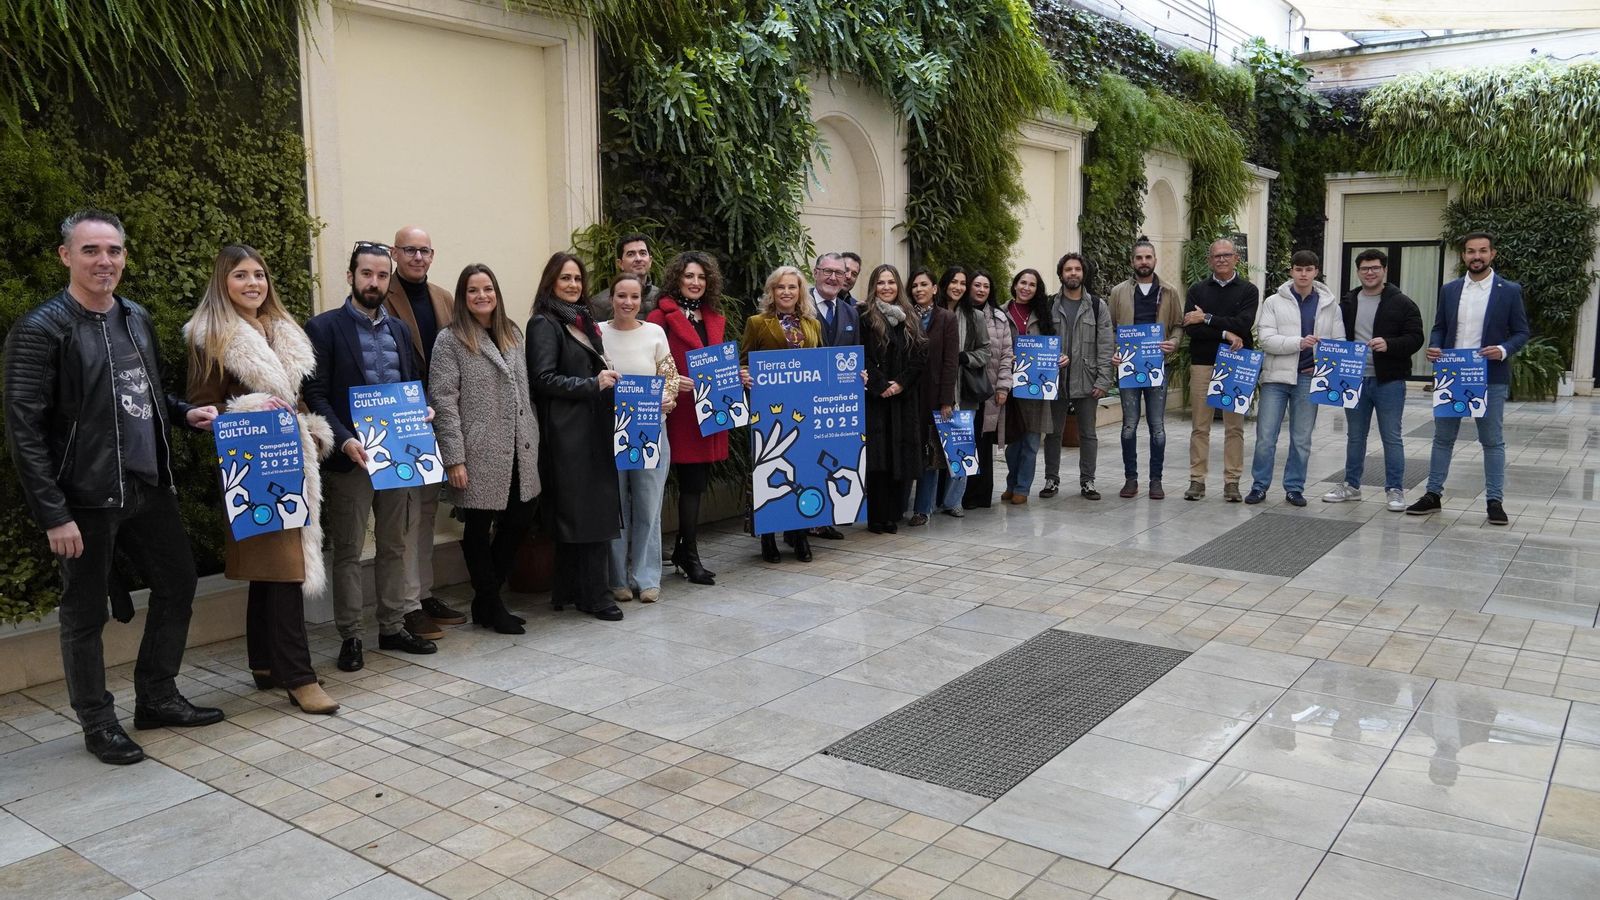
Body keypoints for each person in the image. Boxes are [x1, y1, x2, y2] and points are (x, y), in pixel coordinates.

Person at [5, 209, 224, 764]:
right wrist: (54, 514)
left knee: (178, 584)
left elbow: (139, 393)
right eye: (91, 251)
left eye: (114, 251)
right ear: (65, 256)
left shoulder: (136, 318)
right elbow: (23, 431)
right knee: (84, 615)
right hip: (85, 498)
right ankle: (98, 723)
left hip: (149, 488)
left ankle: (156, 696)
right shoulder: (41, 329)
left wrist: (181, 413)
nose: (105, 261)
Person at [184, 245, 339, 714]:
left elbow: (301, 397)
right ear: (222, 282)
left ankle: (266, 664)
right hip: (252, 464)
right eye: (240, 276)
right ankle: (299, 676)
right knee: (284, 568)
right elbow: (202, 406)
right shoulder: (211, 336)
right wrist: (252, 407)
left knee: (272, 567)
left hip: (294, 454)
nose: (253, 283)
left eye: (259, 275)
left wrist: (312, 431)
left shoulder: (283, 332)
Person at [303, 242, 439, 672]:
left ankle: (392, 626)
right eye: (367, 274)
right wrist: (343, 440)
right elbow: (315, 393)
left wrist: (423, 410)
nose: (374, 282)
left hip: (398, 453)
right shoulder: (323, 328)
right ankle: (351, 636)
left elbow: (412, 383)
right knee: (347, 548)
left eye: (382, 275)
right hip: (351, 457)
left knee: (395, 543)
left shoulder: (399, 330)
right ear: (351, 277)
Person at [431, 263, 541, 634]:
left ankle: (485, 599)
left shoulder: (511, 332)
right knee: (477, 528)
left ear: (497, 293)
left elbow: (524, 389)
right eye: (473, 290)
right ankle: (492, 603)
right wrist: (454, 458)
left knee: (520, 516)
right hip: (477, 450)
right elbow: (443, 400)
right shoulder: (450, 340)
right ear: (463, 298)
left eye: (488, 289)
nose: (482, 296)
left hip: (518, 446)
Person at [527, 252, 627, 618]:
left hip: (592, 426)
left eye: (577, 279)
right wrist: (591, 383)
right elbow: (542, 378)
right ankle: (594, 595)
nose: (573, 285)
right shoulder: (544, 323)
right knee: (585, 513)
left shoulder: (583, 320)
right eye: (565, 278)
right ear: (551, 281)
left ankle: (570, 589)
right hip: (568, 433)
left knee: (590, 510)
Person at [1407, 232, 1531, 525]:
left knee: (1492, 441)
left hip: (1490, 375)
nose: (1477, 256)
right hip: (1453, 374)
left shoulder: (1509, 290)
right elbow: (1440, 327)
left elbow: (1522, 332)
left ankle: (1494, 501)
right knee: (1442, 438)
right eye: (1471, 251)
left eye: (1483, 251)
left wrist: (1501, 350)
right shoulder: (1450, 290)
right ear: (1463, 255)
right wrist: (1436, 345)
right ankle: (1432, 495)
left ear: (1493, 254)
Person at [382, 225, 463, 639]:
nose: (417, 257)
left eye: (424, 250)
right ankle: (407, 604)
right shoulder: (382, 293)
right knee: (408, 515)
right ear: (395, 253)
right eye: (409, 250)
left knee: (429, 511)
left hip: (440, 418)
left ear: (432, 256)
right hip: (402, 419)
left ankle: (425, 593)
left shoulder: (444, 298)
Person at [649, 251, 729, 584]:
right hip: (675, 412)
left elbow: (717, 361)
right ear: (677, 279)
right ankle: (682, 555)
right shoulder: (660, 317)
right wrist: (669, 380)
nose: (695, 283)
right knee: (668, 486)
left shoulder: (712, 316)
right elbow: (644, 360)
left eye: (701, 277)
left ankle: (686, 550)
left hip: (709, 410)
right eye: (689, 276)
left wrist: (733, 375)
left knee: (696, 483)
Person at [1323, 249, 1424, 510]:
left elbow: (1416, 338)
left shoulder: (1402, 303)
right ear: (1358, 271)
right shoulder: (1347, 302)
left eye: (1375, 268)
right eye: (1365, 268)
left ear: (1384, 270)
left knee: (1392, 436)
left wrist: (1389, 344)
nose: (1370, 272)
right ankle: (1351, 485)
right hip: (1354, 380)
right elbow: (1335, 337)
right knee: (1355, 436)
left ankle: (1395, 489)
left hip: (1388, 380)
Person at [600, 274, 678, 596]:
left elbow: (670, 378)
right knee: (616, 505)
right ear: (611, 298)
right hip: (610, 429)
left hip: (650, 427)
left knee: (648, 504)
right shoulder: (597, 333)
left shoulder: (655, 333)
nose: (627, 303)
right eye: (621, 296)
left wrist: (669, 398)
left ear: (641, 299)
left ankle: (646, 578)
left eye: (634, 297)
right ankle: (617, 579)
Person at [1247, 251, 1343, 506]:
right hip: (1275, 379)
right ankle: (1259, 486)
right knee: (1266, 438)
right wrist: (1299, 343)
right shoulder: (1273, 302)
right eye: (1298, 269)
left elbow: (1339, 342)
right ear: (1291, 271)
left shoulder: (1329, 304)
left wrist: (1321, 364)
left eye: (1308, 269)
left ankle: (1294, 488)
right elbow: (1265, 339)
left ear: (1316, 272)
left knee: (1302, 439)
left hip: (1308, 379)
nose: (1303, 274)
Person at [740, 266, 822, 560]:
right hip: (769, 411)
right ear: (771, 292)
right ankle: (767, 538)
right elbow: (744, 361)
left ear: (800, 292)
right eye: (780, 287)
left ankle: (800, 535)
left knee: (802, 468)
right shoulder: (757, 322)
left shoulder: (813, 324)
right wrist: (743, 375)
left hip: (804, 409)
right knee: (769, 469)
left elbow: (823, 365)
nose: (786, 292)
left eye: (792, 287)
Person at [1182, 238, 1259, 502]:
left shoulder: (1249, 290)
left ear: (1236, 258)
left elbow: (1244, 324)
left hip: (1236, 362)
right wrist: (1226, 332)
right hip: (1203, 362)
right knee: (1200, 426)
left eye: (1227, 255)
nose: (1222, 259)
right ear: (1209, 261)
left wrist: (1207, 317)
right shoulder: (1197, 290)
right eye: (1217, 256)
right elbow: (1191, 328)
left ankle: (1232, 482)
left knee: (1234, 427)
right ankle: (1197, 480)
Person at [1107, 238, 1180, 500]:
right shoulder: (1118, 292)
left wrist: (1173, 342)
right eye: (1139, 258)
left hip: (1157, 368)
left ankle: (1156, 481)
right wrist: (1115, 350)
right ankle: (1130, 479)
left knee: (1157, 427)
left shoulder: (1170, 292)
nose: (1144, 262)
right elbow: (1111, 328)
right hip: (1128, 368)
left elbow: (1178, 326)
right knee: (1128, 426)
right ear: (1132, 261)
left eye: (1148, 257)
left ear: (1155, 260)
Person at [861, 264, 927, 532]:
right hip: (875, 400)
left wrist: (900, 383)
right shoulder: (864, 316)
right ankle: (877, 516)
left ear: (898, 286)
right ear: (873, 287)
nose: (886, 287)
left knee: (897, 458)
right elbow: (861, 354)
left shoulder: (910, 317)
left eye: (891, 282)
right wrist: (880, 385)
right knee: (878, 460)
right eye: (880, 282)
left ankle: (893, 514)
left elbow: (920, 356)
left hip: (902, 399)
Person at [1045, 253, 1113, 501]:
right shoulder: (1049, 304)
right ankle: (1051, 480)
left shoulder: (1097, 305)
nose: (1072, 273)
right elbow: (1041, 341)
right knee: (1053, 433)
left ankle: (1088, 482)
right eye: (1068, 269)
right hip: (1056, 380)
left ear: (1083, 273)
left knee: (1088, 433)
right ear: (1061, 274)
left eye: (1077, 269)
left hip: (1087, 378)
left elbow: (1105, 345)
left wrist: (1104, 380)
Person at [806, 252, 860, 541]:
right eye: (827, 271)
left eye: (839, 273)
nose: (833, 278)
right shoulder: (800, 308)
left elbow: (855, 356)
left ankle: (824, 518)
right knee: (804, 459)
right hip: (802, 401)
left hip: (834, 406)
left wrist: (860, 375)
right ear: (815, 272)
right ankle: (800, 523)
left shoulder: (851, 313)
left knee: (829, 460)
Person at [907, 267, 959, 527]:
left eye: (924, 284)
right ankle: (900, 505)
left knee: (930, 453)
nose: (919, 290)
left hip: (934, 395)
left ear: (935, 289)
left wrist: (946, 399)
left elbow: (951, 362)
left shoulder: (947, 318)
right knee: (908, 449)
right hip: (906, 393)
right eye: (915, 285)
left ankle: (922, 508)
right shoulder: (903, 315)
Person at [1000, 269, 1056, 504]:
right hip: (1010, 386)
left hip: (1036, 387)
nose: (1026, 288)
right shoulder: (1001, 313)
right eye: (1023, 282)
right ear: (1015, 285)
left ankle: (1022, 488)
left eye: (1032, 285)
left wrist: (1058, 358)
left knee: (1032, 443)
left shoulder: (1044, 315)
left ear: (1037, 289)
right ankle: (1011, 483)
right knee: (1013, 442)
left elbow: (1052, 346)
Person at [963, 267, 1015, 509]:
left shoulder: (999, 317)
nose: (982, 290)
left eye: (986, 286)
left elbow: (1006, 355)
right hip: (961, 390)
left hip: (989, 391)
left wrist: (1003, 386)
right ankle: (957, 496)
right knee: (963, 441)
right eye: (977, 285)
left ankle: (980, 495)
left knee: (982, 443)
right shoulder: (957, 314)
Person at [590, 232, 663, 321]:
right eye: (631, 254)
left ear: (650, 261)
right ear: (620, 263)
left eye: (643, 253)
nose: (638, 259)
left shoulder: (662, 297)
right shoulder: (600, 304)